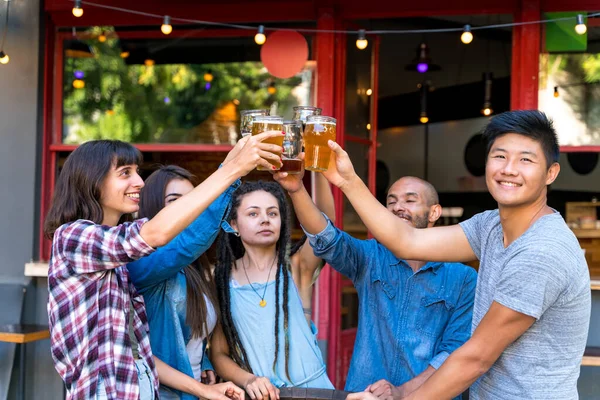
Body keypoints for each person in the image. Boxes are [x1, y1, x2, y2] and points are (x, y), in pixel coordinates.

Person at [320, 110, 591, 400]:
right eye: (499, 156)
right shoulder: (490, 225)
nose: (509, 169)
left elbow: (476, 357)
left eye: (526, 159)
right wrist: (347, 180)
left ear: (551, 173)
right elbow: (407, 240)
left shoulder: (541, 251)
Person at [45, 133, 282, 399]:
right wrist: (232, 170)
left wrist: (202, 390)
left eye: (137, 172)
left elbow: (141, 356)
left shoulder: (118, 266)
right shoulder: (72, 237)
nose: (139, 182)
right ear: (91, 181)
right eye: (125, 173)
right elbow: (160, 236)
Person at [273, 166, 476, 399]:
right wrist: (297, 189)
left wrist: (402, 392)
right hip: (366, 394)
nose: (398, 207)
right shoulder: (370, 257)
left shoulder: (463, 278)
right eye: (391, 202)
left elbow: (454, 352)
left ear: (434, 212)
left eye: (410, 200)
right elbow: (326, 239)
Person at [210, 177, 335, 399]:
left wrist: (318, 172)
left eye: (273, 213)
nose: (265, 220)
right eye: (253, 213)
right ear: (234, 225)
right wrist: (249, 380)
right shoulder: (222, 280)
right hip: (264, 396)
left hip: (315, 392)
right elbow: (219, 354)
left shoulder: (297, 267)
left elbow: (325, 230)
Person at [127, 160, 240, 398]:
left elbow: (187, 337)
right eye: (175, 202)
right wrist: (234, 168)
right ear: (152, 207)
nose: (189, 210)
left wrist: (205, 363)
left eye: (193, 201)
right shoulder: (142, 261)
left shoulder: (195, 268)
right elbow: (188, 242)